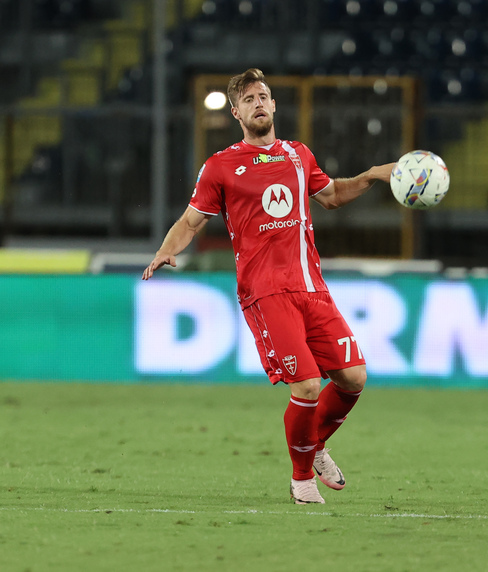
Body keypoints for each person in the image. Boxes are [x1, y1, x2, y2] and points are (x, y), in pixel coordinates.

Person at [142, 68, 394, 504]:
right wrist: (167, 248)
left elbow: (332, 195)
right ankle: (301, 480)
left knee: (353, 378)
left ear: (274, 105)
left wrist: (372, 174)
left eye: (264, 95)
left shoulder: (298, 155)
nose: (258, 102)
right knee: (308, 387)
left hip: (312, 288)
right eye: (249, 98)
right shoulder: (220, 166)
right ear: (236, 112)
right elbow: (191, 220)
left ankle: (313, 446)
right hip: (265, 292)